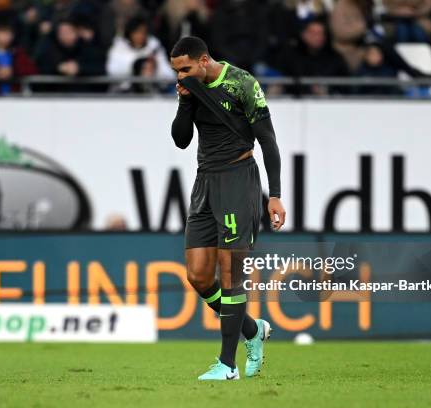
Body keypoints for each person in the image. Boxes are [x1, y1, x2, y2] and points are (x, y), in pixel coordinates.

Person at [170, 37, 285, 380]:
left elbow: (268, 139)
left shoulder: (241, 83)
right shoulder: (189, 88)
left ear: (204, 60)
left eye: (186, 69)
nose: (181, 76)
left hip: (238, 178)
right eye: (176, 71)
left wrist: (275, 194)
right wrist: (185, 103)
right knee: (199, 276)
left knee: (231, 272)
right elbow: (180, 140)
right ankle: (252, 329)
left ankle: (227, 364)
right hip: (205, 181)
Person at [106, 14, 173, 92]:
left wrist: (155, 66)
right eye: (137, 32)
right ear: (130, 33)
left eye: (143, 32)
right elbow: (111, 71)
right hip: (123, 91)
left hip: (150, 90)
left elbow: (169, 75)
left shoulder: (154, 47)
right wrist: (139, 65)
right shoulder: (118, 47)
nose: (140, 35)